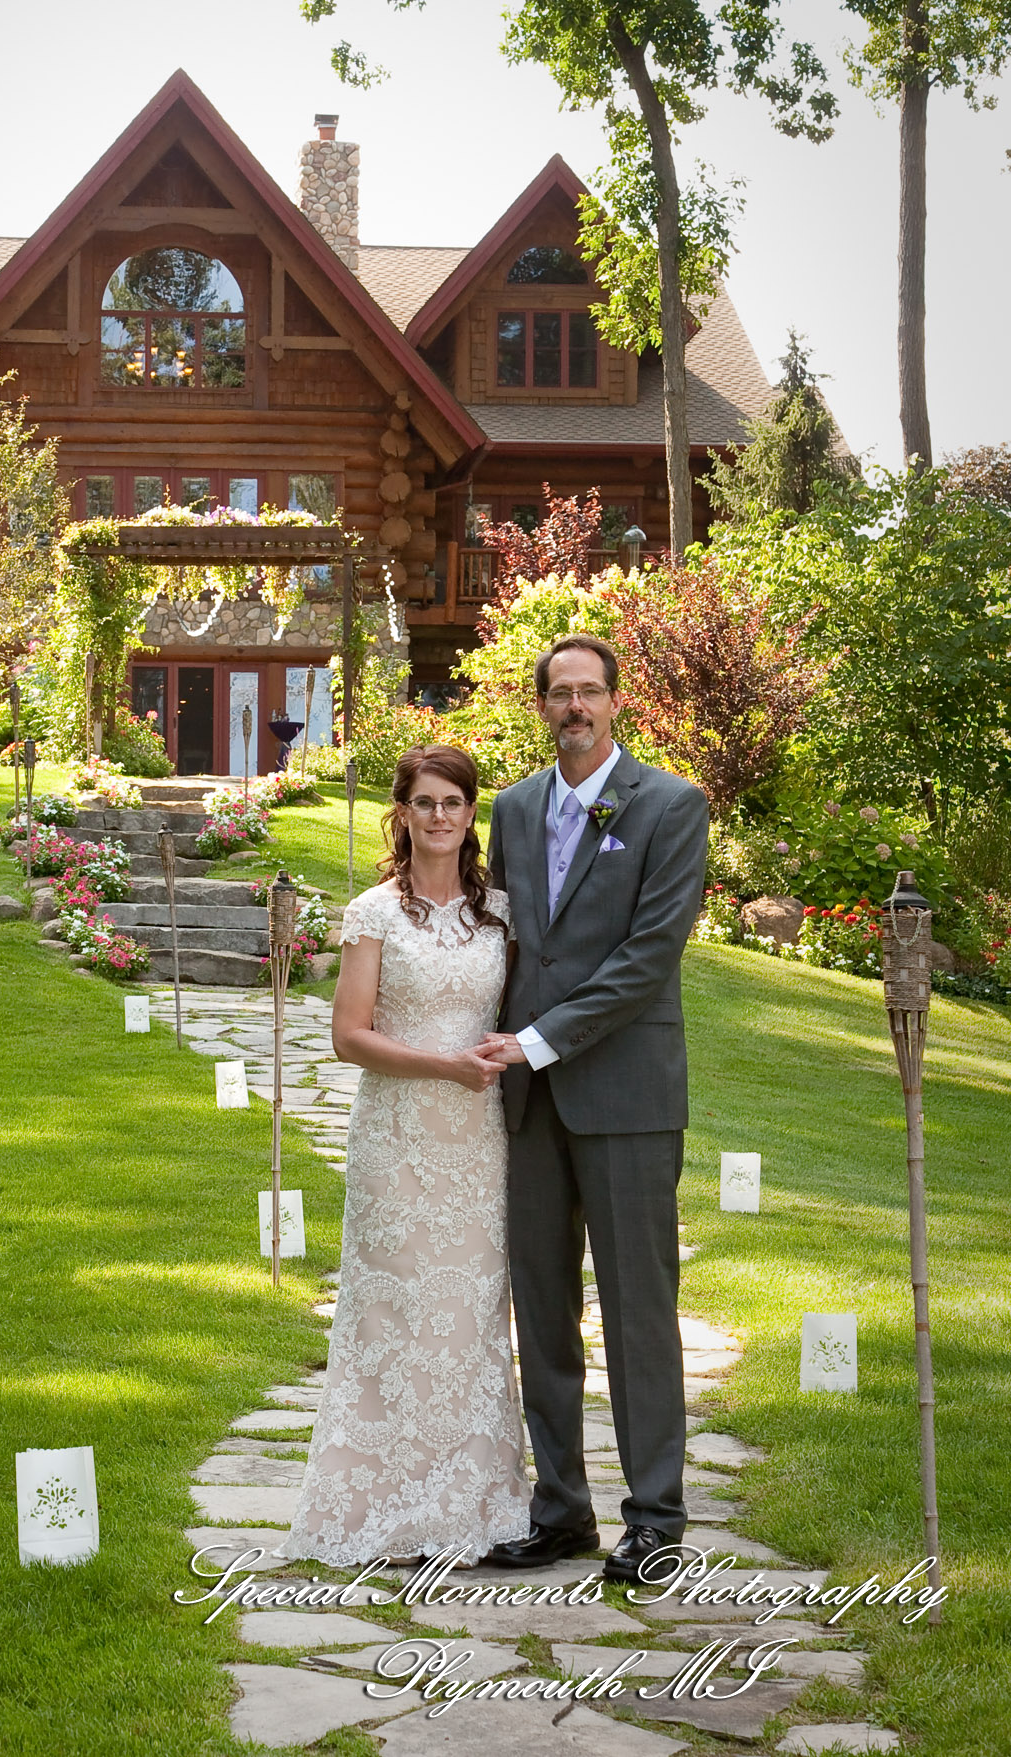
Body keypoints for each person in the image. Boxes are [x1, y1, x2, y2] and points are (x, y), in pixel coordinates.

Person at [474, 633, 709, 1586]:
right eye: (559, 694)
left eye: (590, 692)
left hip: (627, 1097)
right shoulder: (515, 807)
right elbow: (500, 936)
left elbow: (649, 955)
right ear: (542, 708)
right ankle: (560, 1509)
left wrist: (538, 1039)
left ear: (616, 703)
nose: (575, 707)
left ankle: (655, 1517)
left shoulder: (672, 804)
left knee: (638, 1312)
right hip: (529, 1105)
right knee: (543, 1308)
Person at [285, 745, 530, 1567]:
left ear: (471, 814)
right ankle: (377, 1504)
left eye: (453, 802)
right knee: (389, 1313)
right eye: (424, 802)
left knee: (468, 1313)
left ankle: (469, 1501)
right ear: (402, 812)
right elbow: (349, 1035)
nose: (438, 816)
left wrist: (498, 1055)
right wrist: (444, 1066)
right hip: (398, 1139)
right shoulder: (373, 912)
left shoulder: (500, 911)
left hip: (480, 1140)